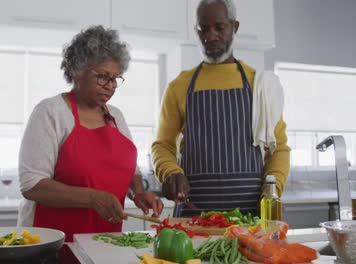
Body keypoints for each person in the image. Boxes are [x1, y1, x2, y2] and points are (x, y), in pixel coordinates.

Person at [17, 25, 164, 242]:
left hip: (105, 242)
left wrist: (138, 192)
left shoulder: (116, 117)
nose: (110, 86)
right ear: (77, 70)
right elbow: (32, 185)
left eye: (115, 78)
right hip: (51, 244)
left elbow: (131, 170)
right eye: (103, 76)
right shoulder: (51, 112)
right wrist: (92, 198)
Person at [151, 0, 290, 217]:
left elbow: (278, 148)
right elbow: (162, 145)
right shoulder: (179, 85)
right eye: (203, 29)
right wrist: (170, 172)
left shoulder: (260, 85)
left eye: (219, 27)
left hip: (250, 216)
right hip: (193, 215)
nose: (210, 35)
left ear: (234, 27)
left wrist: (271, 193)